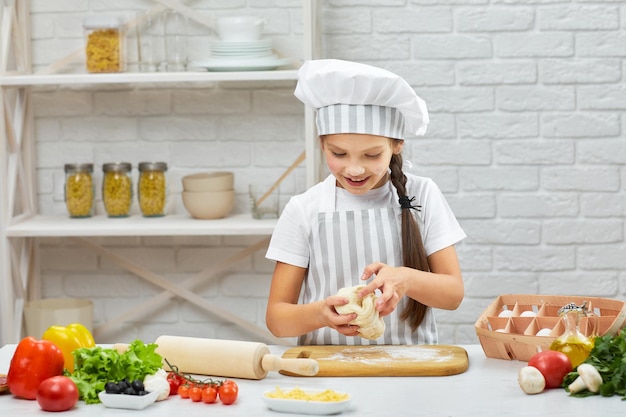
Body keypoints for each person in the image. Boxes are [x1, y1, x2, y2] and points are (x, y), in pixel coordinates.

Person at [265, 59, 466, 345]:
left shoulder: (422, 194)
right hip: (328, 372)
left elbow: (453, 294)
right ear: (322, 144)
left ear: (397, 145)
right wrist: (320, 314)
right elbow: (277, 319)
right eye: (339, 154)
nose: (355, 169)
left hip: (411, 370)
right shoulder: (304, 209)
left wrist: (405, 279)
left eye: (372, 156)